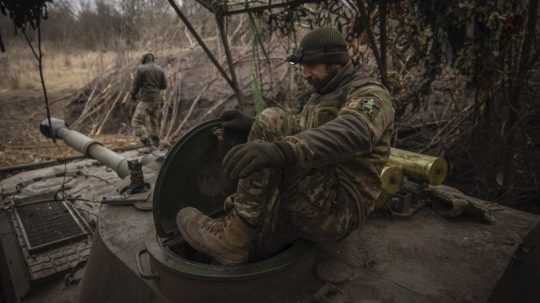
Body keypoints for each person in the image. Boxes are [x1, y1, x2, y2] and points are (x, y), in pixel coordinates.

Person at [176, 28, 395, 265]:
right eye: (303, 65)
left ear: (336, 62)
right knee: (269, 121)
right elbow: (301, 126)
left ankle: (234, 239)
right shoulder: (322, 93)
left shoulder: (370, 95)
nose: (305, 73)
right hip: (318, 191)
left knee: (272, 119)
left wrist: (280, 149)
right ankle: (242, 225)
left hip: (338, 208)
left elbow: (355, 131)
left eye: (311, 65)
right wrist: (252, 125)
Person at [130, 53, 167, 147]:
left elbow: (136, 85)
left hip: (146, 99)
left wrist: (133, 95)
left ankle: (146, 141)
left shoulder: (141, 69)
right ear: (152, 59)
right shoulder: (160, 69)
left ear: (144, 59)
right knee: (154, 121)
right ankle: (156, 143)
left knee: (136, 121)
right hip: (157, 99)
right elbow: (164, 86)